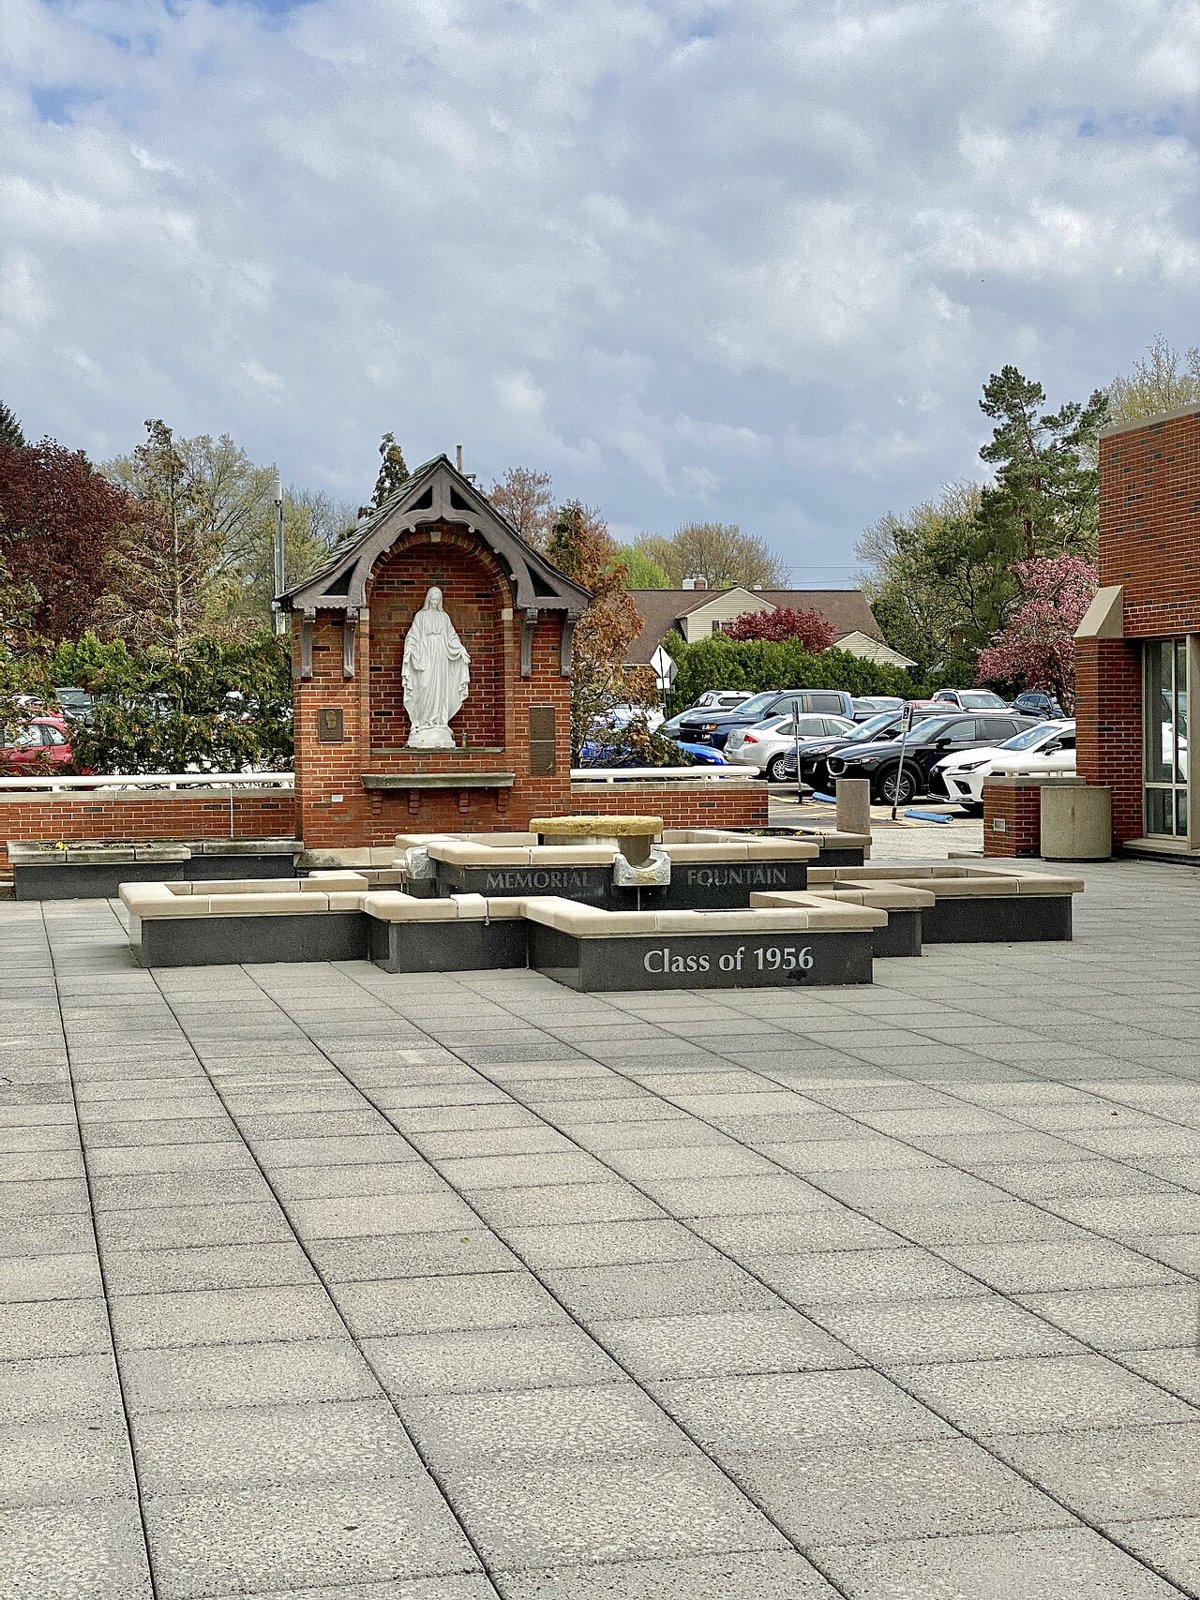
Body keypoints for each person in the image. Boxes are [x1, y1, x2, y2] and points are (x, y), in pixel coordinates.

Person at [402, 586, 471, 748]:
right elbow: (413, 635)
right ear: (428, 599)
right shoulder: (421, 616)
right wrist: (410, 650)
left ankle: (439, 722)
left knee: (440, 689)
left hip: (441, 656)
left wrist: (461, 650)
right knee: (424, 685)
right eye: (432, 598)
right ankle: (423, 722)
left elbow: (451, 637)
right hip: (425, 655)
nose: (435, 602)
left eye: (438, 599)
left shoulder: (444, 617)